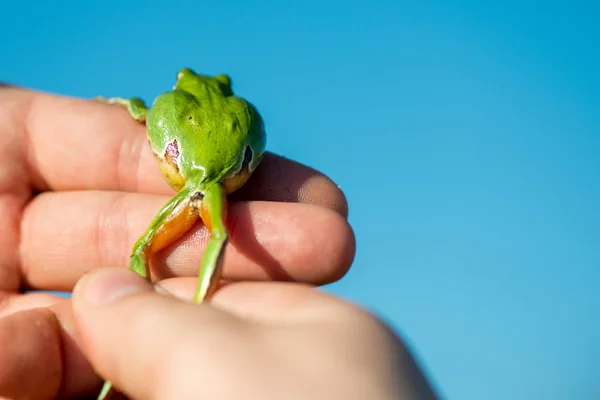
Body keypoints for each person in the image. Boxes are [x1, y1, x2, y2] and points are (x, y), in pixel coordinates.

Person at [0, 84, 438, 399]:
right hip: (214, 179)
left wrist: (121, 102)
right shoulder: (228, 109)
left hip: (197, 179)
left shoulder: (179, 101)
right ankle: (193, 298)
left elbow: (138, 109)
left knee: (151, 246)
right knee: (179, 239)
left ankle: (196, 300)